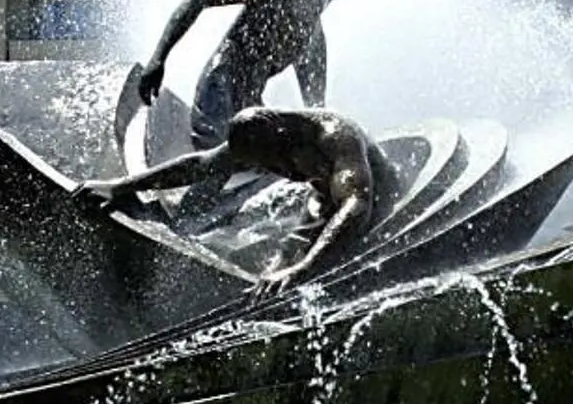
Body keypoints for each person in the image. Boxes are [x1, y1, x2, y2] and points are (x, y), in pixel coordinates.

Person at [76, 106, 389, 291]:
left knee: (302, 270)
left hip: (379, 203)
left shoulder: (333, 137)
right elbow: (200, 166)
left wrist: (303, 269)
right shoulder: (260, 138)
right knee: (275, 270)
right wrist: (120, 187)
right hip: (322, 200)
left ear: (282, 137)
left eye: (270, 163)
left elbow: (357, 203)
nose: (270, 170)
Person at [130, 0, 356, 145]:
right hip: (218, 91)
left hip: (248, 109)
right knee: (229, 142)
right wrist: (159, 58)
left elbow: (316, 109)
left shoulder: (313, 38)